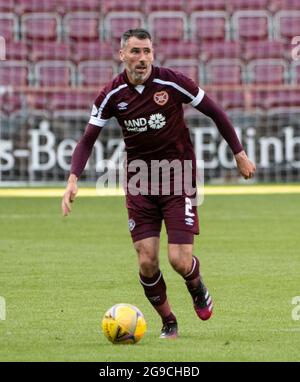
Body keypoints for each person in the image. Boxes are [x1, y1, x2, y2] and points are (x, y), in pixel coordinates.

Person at [61, 28, 256, 339]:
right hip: (139, 184)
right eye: (136, 51)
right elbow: (87, 140)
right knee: (147, 260)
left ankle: (196, 285)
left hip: (178, 178)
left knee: (179, 260)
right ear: (122, 54)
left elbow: (216, 112)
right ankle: (169, 322)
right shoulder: (111, 94)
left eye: (147, 51)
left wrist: (239, 153)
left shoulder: (172, 81)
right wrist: (73, 179)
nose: (142, 58)